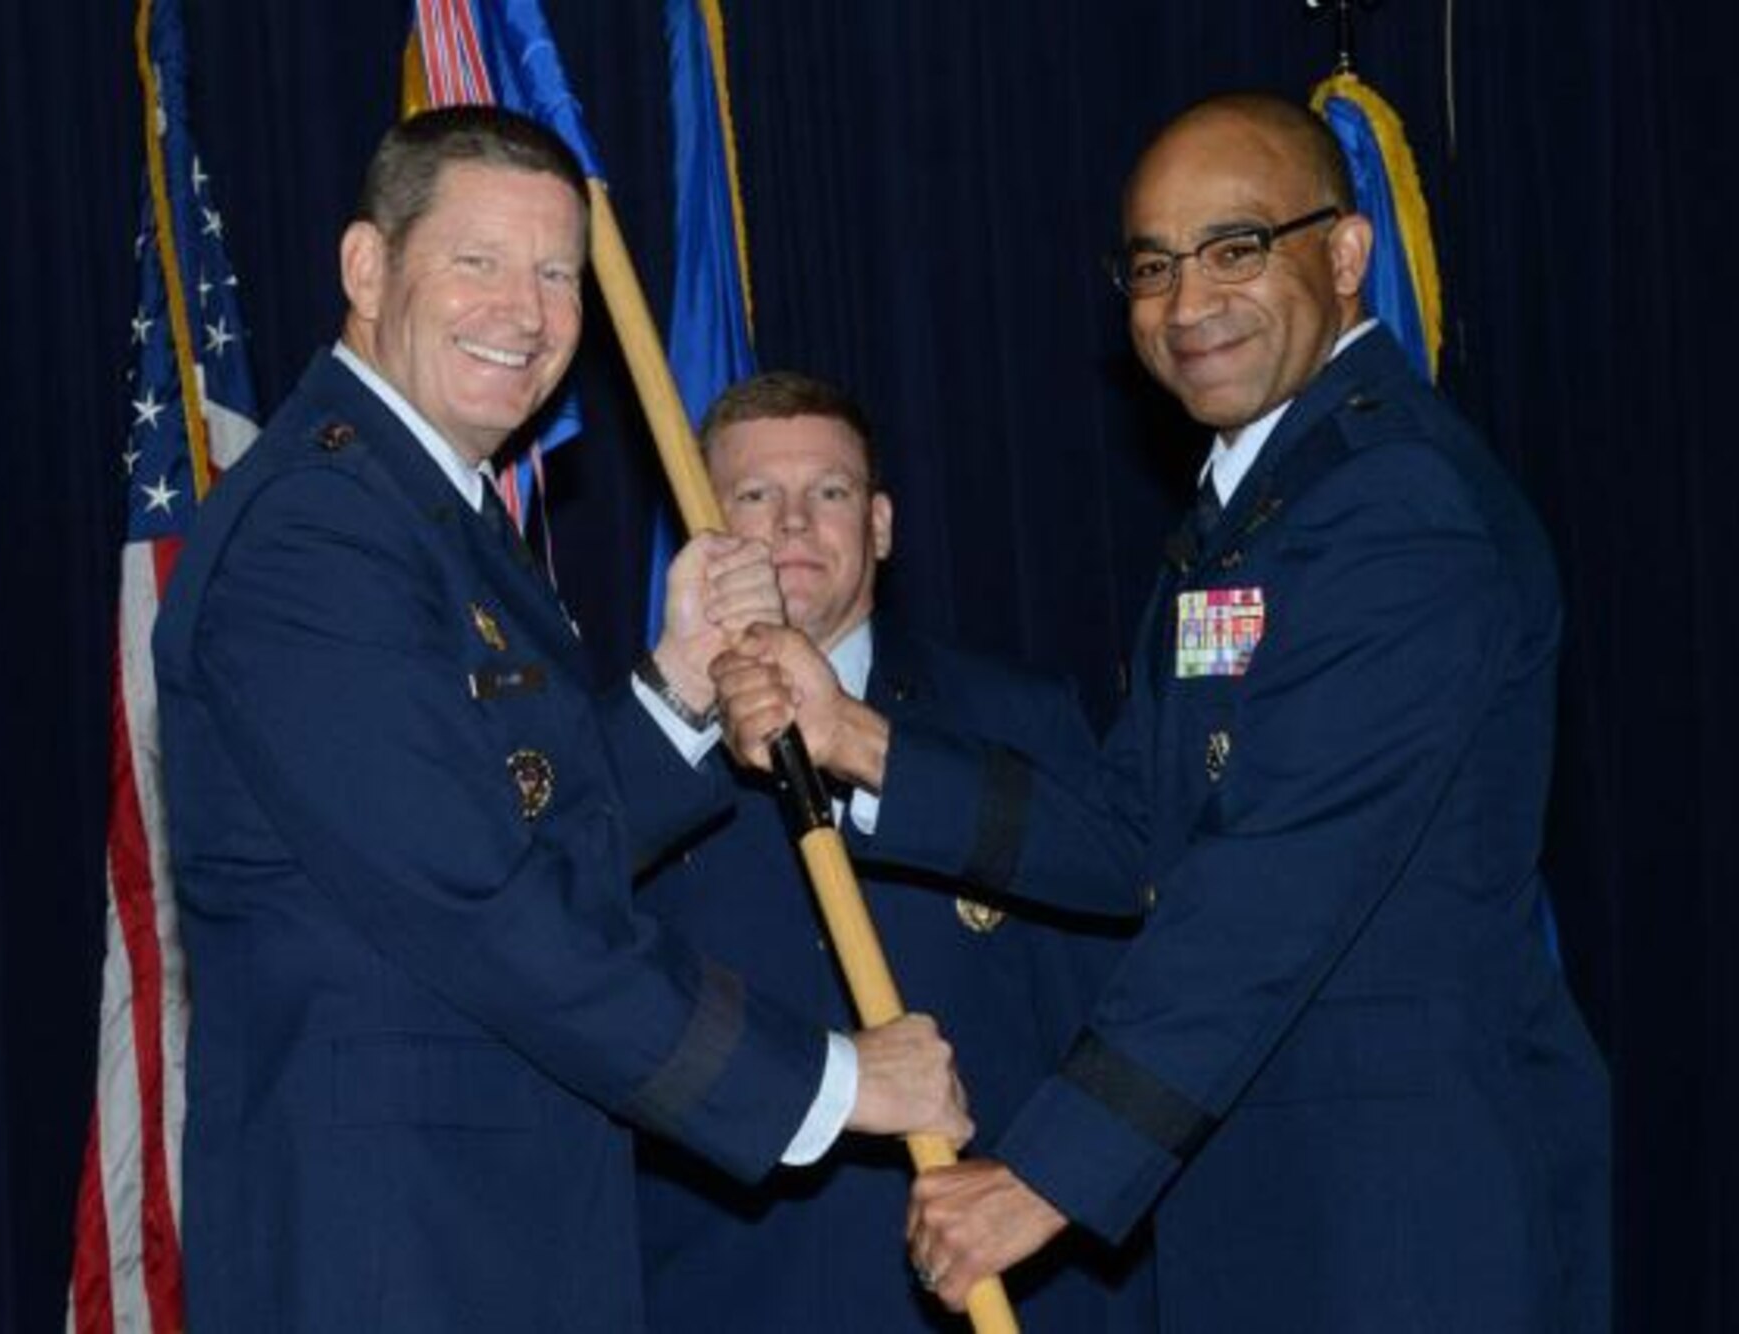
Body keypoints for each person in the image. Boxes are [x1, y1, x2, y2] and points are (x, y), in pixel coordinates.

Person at [713, 93, 1609, 1333]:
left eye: (1235, 248)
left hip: (1398, 1215)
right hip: (1270, 1201)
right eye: (1151, 266)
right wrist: (857, 736)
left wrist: (1044, 1170)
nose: (1187, 304)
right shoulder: (1245, 514)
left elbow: (1275, 878)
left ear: (1344, 255)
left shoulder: (1396, 503)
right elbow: (1134, 824)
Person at [152, 106, 968, 1334]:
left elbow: (529, 827)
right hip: (392, 1252)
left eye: (557, 273)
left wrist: (678, 683)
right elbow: (484, 901)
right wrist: (834, 1079)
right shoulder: (319, 533)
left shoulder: (432, 513)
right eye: (476, 260)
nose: (526, 313)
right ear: (367, 268)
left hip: (494, 1229)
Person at [632, 372, 1154, 1332]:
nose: (792, 525)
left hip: (990, 1297)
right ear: (700, 529)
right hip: (722, 1299)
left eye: (828, 493)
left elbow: (1117, 1002)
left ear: (878, 525)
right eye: (753, 496)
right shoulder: (641, 762)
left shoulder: (1017, 725)